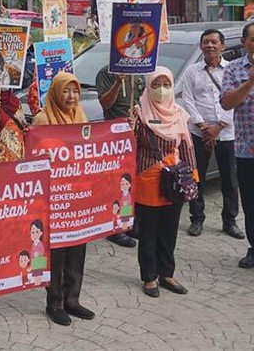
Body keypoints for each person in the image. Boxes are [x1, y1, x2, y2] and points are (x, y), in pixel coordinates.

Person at [33, 72, 95, 326]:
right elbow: (35, 158)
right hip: (54, 199)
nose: (71, 96)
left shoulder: (81, 116)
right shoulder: (43, 118)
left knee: (77, 249)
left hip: (77, 197)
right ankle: (55, 302)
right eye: (66, 91)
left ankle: (72, 299)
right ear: (56, 92)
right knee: (56, 253)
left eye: (75, 91)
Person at [131, 67, 196, 297]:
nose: (161, 90)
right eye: (156, 85)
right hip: (148, 180)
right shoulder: (139, 114)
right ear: (148, 86)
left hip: (174, 180)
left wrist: (193, 179)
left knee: (169, 229)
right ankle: (149, 276)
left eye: (166, 85)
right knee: (149, 231)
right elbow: (130, 147)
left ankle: (166, 273)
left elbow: (187, 147)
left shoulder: (179, 113)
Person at [178, 29, 242, 238]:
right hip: (200, 133)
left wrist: (220, 125)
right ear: (201, 46)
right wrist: (203, 126)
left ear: (222, 46)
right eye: (206, 42)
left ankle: (230, 220)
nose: (210, 46)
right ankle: (197, 219)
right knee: (197, 178)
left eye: (214, 42)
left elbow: (239, 99)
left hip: (228, 132)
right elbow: (188, 100)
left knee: (229, 180)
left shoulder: (232, 70)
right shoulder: (192, 72)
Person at [96, 64, 142, 248]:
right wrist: (118, 82)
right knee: (117, 184)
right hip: (115, 137)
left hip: (135, 133)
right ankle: (115, 229)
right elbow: (105, 103)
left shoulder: (139, 72)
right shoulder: (106, 72)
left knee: (131, 183)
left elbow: (141, 99)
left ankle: (129, 223)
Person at [220, 22, 254, 268]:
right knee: (251, 203)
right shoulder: (233, 69)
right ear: (244, 42)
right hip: (246, 150)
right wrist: (249, 83)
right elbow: (226, 103)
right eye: (252, 39)